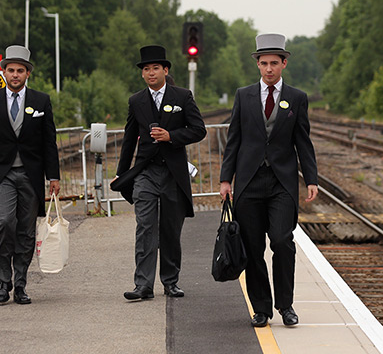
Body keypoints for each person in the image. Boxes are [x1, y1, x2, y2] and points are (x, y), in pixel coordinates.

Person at [219, 33, 318, 328]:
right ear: (258, 65)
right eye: (264, 63)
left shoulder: (297, 98)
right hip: (249, 182)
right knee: (252, 247)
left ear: (284, 63)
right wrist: (226, 180)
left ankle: (285, 305)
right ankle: (261, 308)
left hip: (282, 184)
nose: (269, 69)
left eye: (275, 63)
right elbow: (233, 141)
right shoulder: (244, 95)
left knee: (282, 241)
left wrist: (310, 178)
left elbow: (303, 140)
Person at [0, 45, 60, 305]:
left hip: (31, 175)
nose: (16, 75)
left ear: (28, 73)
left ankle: (20, 284)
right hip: (3, 175)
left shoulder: (41, 101)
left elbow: (49, 141)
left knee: (26, 231)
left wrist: (54, 176)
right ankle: (2, 281)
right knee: (4, 222)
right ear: (4, 71)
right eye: (11, 70)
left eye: (21, 71)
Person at [115, 45, 206, 301]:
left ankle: (170, 281)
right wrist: (122, 174)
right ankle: (143, 285)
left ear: (165, 70)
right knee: (145, 227)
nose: (151, 72)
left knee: (170, 229)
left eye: (156, 68)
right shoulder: (136, 101)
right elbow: (129, 139)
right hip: (146, 173)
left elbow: (199, 130)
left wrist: (172, 136)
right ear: (142, 74)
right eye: (146, 69)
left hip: (173, 174)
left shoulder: (183, 97)